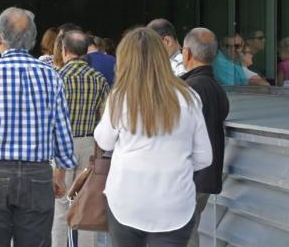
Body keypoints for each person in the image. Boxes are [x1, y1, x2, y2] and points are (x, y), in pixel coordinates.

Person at [0, 7, 77, 247]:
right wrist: (60, 175)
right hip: (38, 175)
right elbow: (62, 131)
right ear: (33, 40)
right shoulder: (51, 75)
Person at [94, 27, 212, 247]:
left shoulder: (120, 97)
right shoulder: (189, 97)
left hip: (126, 202)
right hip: (175, 204)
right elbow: (204, 157)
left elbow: (104, 142)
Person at [52, 31, 110, 247]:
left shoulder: (56, 78)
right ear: (87, 51)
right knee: (87, 204)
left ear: (64, 50)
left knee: (60, 206)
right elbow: (104, 118)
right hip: (89, 144)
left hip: (60, 145)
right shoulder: (99, 79)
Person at [180, 28, 230, 247]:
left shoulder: (188, 88)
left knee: (182, 233)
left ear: (187, 53)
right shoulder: (218, 88)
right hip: (207, 175)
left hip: (186, 175)